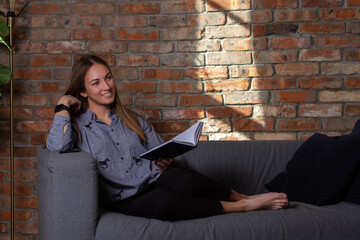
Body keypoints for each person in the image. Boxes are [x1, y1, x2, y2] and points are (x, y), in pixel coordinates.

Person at [46, 55, 288, 221]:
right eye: (96, 83)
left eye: (108, 78)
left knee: (184, 179)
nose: (106, 86)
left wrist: (167, 162)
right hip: (123, 198)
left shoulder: (133, 120)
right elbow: (56, 147)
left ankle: (244, 196)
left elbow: (162, 153)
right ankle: (243, 206)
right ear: (83, 91)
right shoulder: (77, 126)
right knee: (165, 202)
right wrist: (62, 104)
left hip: (153, 181)